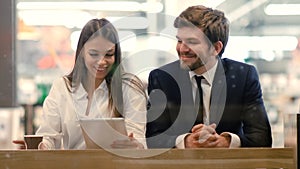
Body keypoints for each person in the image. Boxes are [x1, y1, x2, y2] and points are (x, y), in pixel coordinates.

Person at [146, 5, 272, 149]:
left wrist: (226, 142)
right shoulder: (163, 78)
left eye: (192, 42)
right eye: (180, 41)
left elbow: (262, 138)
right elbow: (152, 138)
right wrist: (186, 142)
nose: (182, 49)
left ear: (216, 48)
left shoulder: (243, 76)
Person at [14, 18, 147, 149]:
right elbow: (49, 136)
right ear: (82, 53)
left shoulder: (129, 89)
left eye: (108, 54)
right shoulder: (62, 88)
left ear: (116, 54)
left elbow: (138, 138)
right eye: (94, 54)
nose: (101, 62)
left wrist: (134, 145)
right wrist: (40, 146)